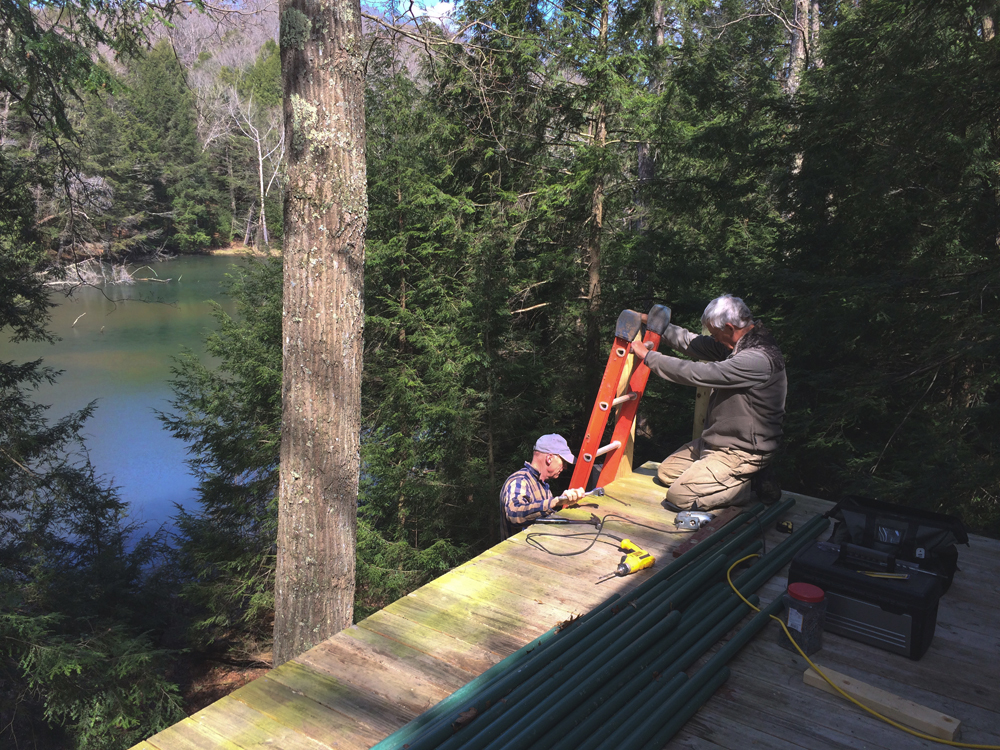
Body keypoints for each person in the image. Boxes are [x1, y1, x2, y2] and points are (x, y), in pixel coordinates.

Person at [630, 294, 785, 511]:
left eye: (715, 334)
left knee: (679, 496)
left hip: (742, 450)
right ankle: (731, 477)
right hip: (715, 442)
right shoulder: (736, 344)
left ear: (730, 327)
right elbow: (692, 342)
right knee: (666, 473)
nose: (713, 339)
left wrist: (649, 357)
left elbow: (700, 372)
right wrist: (656, 326)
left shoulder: (757, 359)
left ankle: (747, 487)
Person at [501, 434, 586, 534]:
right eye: (563, 462)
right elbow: (513, 514)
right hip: (519, 549)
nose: (565, 467)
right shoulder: (519, 481)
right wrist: (556, 502)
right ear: (549, 458)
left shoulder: (543, 486)